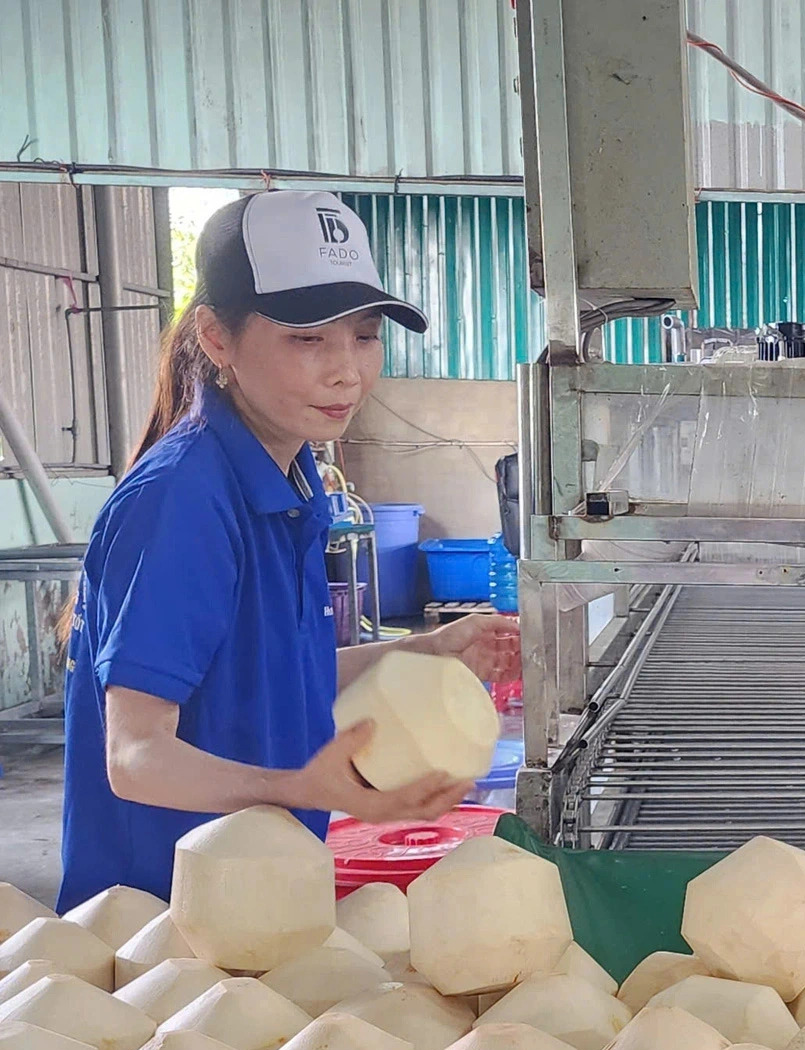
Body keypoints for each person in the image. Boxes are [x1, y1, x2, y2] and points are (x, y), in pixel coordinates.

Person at [59, 191, 520, 909]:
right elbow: (135, 755)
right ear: (217, 338)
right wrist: (297, 789)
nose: (347, 372)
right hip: (164, 929)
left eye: (364, 336)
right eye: (308, 340)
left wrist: (431, 648)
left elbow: (276, 678)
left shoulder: (291, 478)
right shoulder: (184, 499)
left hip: (262, 903)